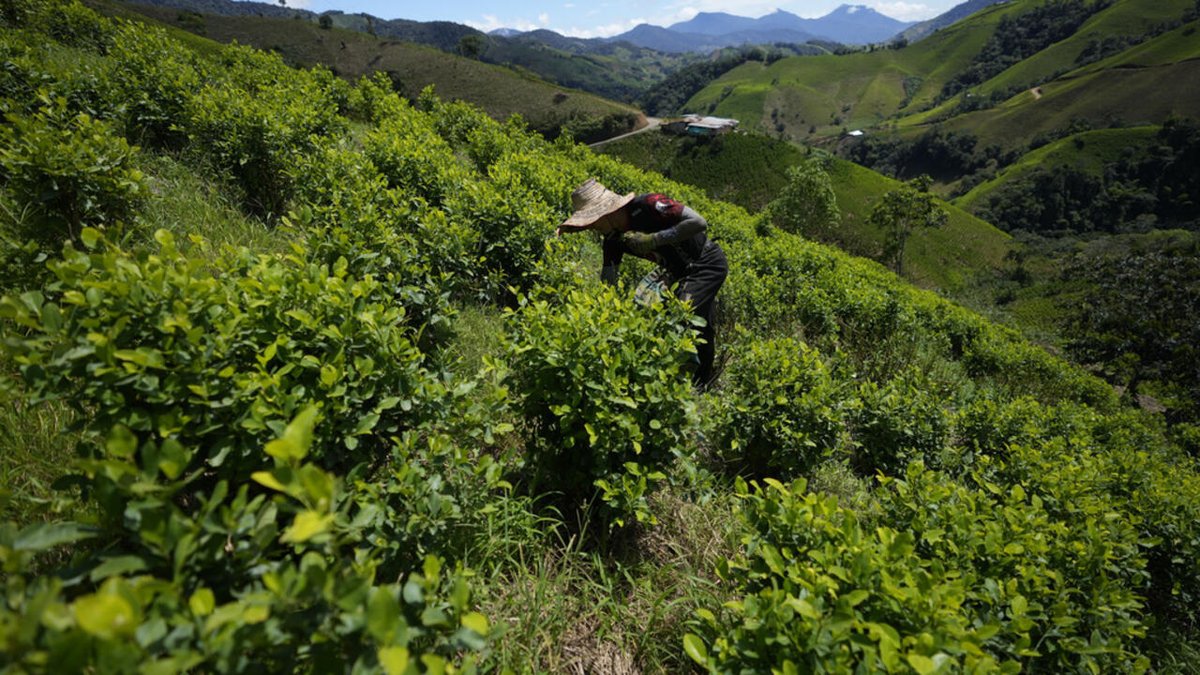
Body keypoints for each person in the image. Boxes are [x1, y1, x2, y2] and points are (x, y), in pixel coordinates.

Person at [557, 178, 728, 387]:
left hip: (705, 263)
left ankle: (686, 384)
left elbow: (698, 222)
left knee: (681, 315)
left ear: (606, 213)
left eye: (593, 222)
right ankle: (703, 382)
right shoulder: (613, 239)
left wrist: (654, 240)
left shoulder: (647, 206)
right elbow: (608, 281)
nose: (593, 228)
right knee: (700, 326)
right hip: (677, 273)